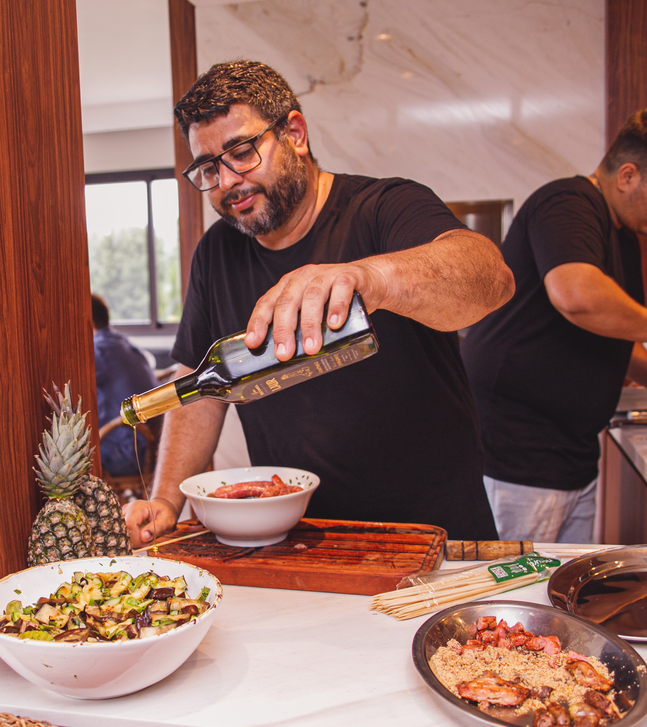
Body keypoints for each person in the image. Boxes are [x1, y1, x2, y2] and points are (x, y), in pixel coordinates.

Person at [124, 60, 515, 545]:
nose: (225, 183)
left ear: (295, 134)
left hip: (435, 533)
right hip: (300, 540)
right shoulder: (217, 252)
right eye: (208, 167)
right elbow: (197, 386)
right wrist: (165, 500)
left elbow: (491, 279)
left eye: (241, 153)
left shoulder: (384, 207)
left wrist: (371, 276)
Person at [460, 107, 647, 543]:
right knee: (517, 582)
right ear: (628, 176)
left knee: (562, 582)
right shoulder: (567, 203)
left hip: (571, 455)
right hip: (520, 458)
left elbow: (617, 340)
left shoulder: (621, 235)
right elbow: (576, 295)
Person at [91, 293, 157, 477]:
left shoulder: (98, 352)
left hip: (127, 453)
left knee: (68, 458)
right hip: (151, 447)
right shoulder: (120, 342)